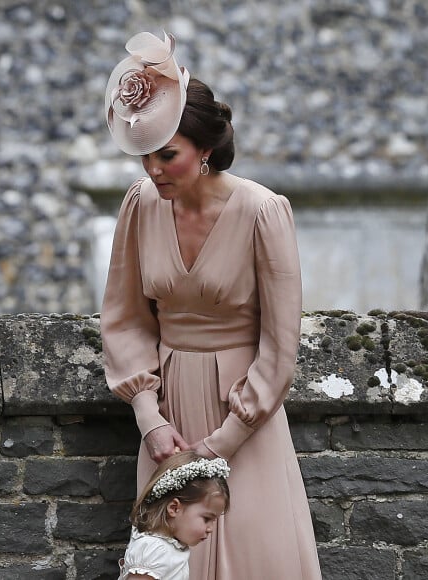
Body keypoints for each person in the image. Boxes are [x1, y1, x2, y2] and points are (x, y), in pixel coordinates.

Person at [101, 31, 322, 579]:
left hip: (244, 416)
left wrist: (226, 438)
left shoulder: (263, 211)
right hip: (169, 414)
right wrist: (149, 417)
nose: (153, 169)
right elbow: (125, 316)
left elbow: (280, 342)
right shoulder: (139, 205)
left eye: (167, 154)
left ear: (203, 150)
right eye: (145, 155)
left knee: (258, 553)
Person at [119, 451, 230, 580]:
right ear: (174, 508)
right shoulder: (154, 550)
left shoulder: (171, 547)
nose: (210, 528)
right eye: (206, 519)